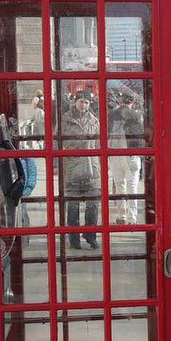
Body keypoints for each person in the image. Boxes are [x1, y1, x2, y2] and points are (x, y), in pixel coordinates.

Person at [60, 89, 101, 247]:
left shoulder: (94, 121)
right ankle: (74, 238)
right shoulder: (65, 120)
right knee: (73, 206)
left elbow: (99, 144)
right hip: (72, 166)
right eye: (81, 102)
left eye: (86, 102)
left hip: (92, 167)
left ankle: (91, 236)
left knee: (93, 205)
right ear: (74, 102)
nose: (83, 105)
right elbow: (58, 141)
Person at [108, 90, 145, 224]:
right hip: (132, 155)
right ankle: (132, 218)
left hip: (115, 154)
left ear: (121, 100)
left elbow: (107, 132)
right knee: (132, 187)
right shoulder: (137, 115)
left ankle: (121, 216)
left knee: (119, 186)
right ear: (133, 101)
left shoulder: (112, 114)